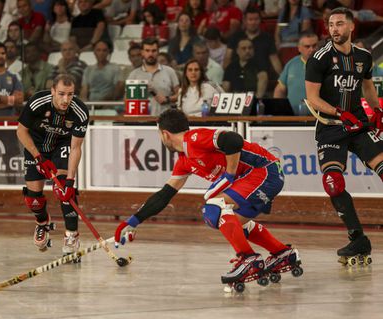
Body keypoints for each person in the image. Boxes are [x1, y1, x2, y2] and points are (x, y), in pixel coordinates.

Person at [113, 109, 301, 287]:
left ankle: (248, 259)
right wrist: (133, 221)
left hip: (264, 170)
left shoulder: (194, 139)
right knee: (231, 221)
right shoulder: (184, 161)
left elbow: (233, 139)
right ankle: (282, 253)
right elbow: (164, 195)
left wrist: (229, 174)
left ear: (165, 134)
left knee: (214, 208)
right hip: (257, 177)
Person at [305, 7, 383, 264]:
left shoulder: (364, 56)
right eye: (330, 24)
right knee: (333, 182)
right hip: (330, 126)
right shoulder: (319, 58)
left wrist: (379, 111)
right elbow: (313, 99)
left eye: (339, 24)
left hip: (358, 124)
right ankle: (358, 239)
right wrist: (338, 112)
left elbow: (368, 86)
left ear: (351, 27)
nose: (334, 29)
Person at [16, 74, 90, 257]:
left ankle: (71, 235)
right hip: (36, 145)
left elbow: (75, 148)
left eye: (70, 94)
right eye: (61, 94)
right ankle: (42, 223)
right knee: (33, 198)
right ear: (53, 92)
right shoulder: (38, 102)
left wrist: (71, 181)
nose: (66, 100)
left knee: (65, 189)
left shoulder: (80, 111)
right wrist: (38, 157)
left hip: (62, 144)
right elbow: (21, 131)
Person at [127, 37, 180, 116]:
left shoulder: (169, 71)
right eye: (147, 51)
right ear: (142, 52)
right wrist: (139, 92)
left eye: (154, 51)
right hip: (141, 120)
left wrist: (167, 99)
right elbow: (127, 99)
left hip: (165, 119)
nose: (150, 54)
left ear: (158, 52)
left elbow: (180, 95)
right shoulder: (134, 74)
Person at [274, 31, 318, 115]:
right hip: (292, 117)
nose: (311, 49)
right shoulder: (291, 63)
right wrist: (279, 111)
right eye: (307, 46)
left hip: (318, 118)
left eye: (314, 45)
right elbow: (279, 90)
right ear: (299, 48)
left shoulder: (325, 64)